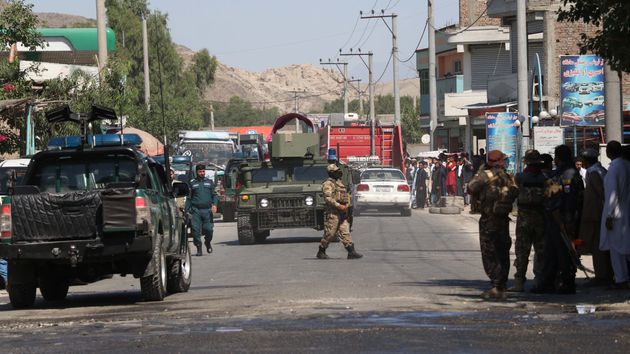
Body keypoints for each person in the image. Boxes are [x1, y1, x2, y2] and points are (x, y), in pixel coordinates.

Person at [532, 145, 584, 294]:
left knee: (565, 250)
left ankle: (567, 282)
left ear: (559, 157)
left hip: (563, 218)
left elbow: (570, 198)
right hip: (553, 216)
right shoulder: (559, 172)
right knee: (551, 250)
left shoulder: (569, 174)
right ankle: (550, 281)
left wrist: (567, 220)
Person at [467, 150, 518, 300]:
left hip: (489, 220)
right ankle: (501, 285)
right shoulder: (508, 176)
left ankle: (496, 286)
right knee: (503, 252)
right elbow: (515, 191)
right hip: (503, 219)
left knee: (489, 252)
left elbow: (470, 188)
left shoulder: (484, 175)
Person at [510, 150, 547, 292]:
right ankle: (541, 281)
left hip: (524, 218)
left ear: (526, 161)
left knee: (522, 251)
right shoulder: (545, 178)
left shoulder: (519, 176)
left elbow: (513, 193)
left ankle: (519, 282)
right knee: (541, 251)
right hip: (541, 217)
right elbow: (553, 194)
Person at [578, 148, 613, 287]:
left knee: (597, 246)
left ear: (586, 161)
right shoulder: (600, 170)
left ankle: (602, 276)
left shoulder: (594, 173)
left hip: (596, 215)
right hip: (597, 214)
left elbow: (601, 194)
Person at [599, 141, 630, 289]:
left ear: (608, 153)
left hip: (616, 215)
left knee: (616, 248)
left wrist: (610, 216)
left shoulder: (614, 169)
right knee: (625, 245)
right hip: (625, 210)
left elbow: (612, 194)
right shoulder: (627, 166)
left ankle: (621, 279)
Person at [316, 164, 363, 260]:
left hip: (343, 212)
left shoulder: (339, 183)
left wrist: (346, 206)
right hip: (333, 213)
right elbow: (328, 198)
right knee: (330, 233)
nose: (339, 173)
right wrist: (339, 206)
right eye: (336, 171)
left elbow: (346, 196)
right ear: (331, 173)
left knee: (345, 231)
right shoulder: (328, 184)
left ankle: (351, 252)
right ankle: (321, 251)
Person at [185, 164, 219, 257]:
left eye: (203, 171)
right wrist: (186, 211)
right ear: (196, 172)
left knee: (209, 230)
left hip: (207, 210)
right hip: (196, 210)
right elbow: (189, 198)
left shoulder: (209, 182)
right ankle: (199, 248)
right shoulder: (192, 183)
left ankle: (207, 242)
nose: (202, 173)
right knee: (195, 231)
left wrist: (215, 205)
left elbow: (215, 195)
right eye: (200, 171)